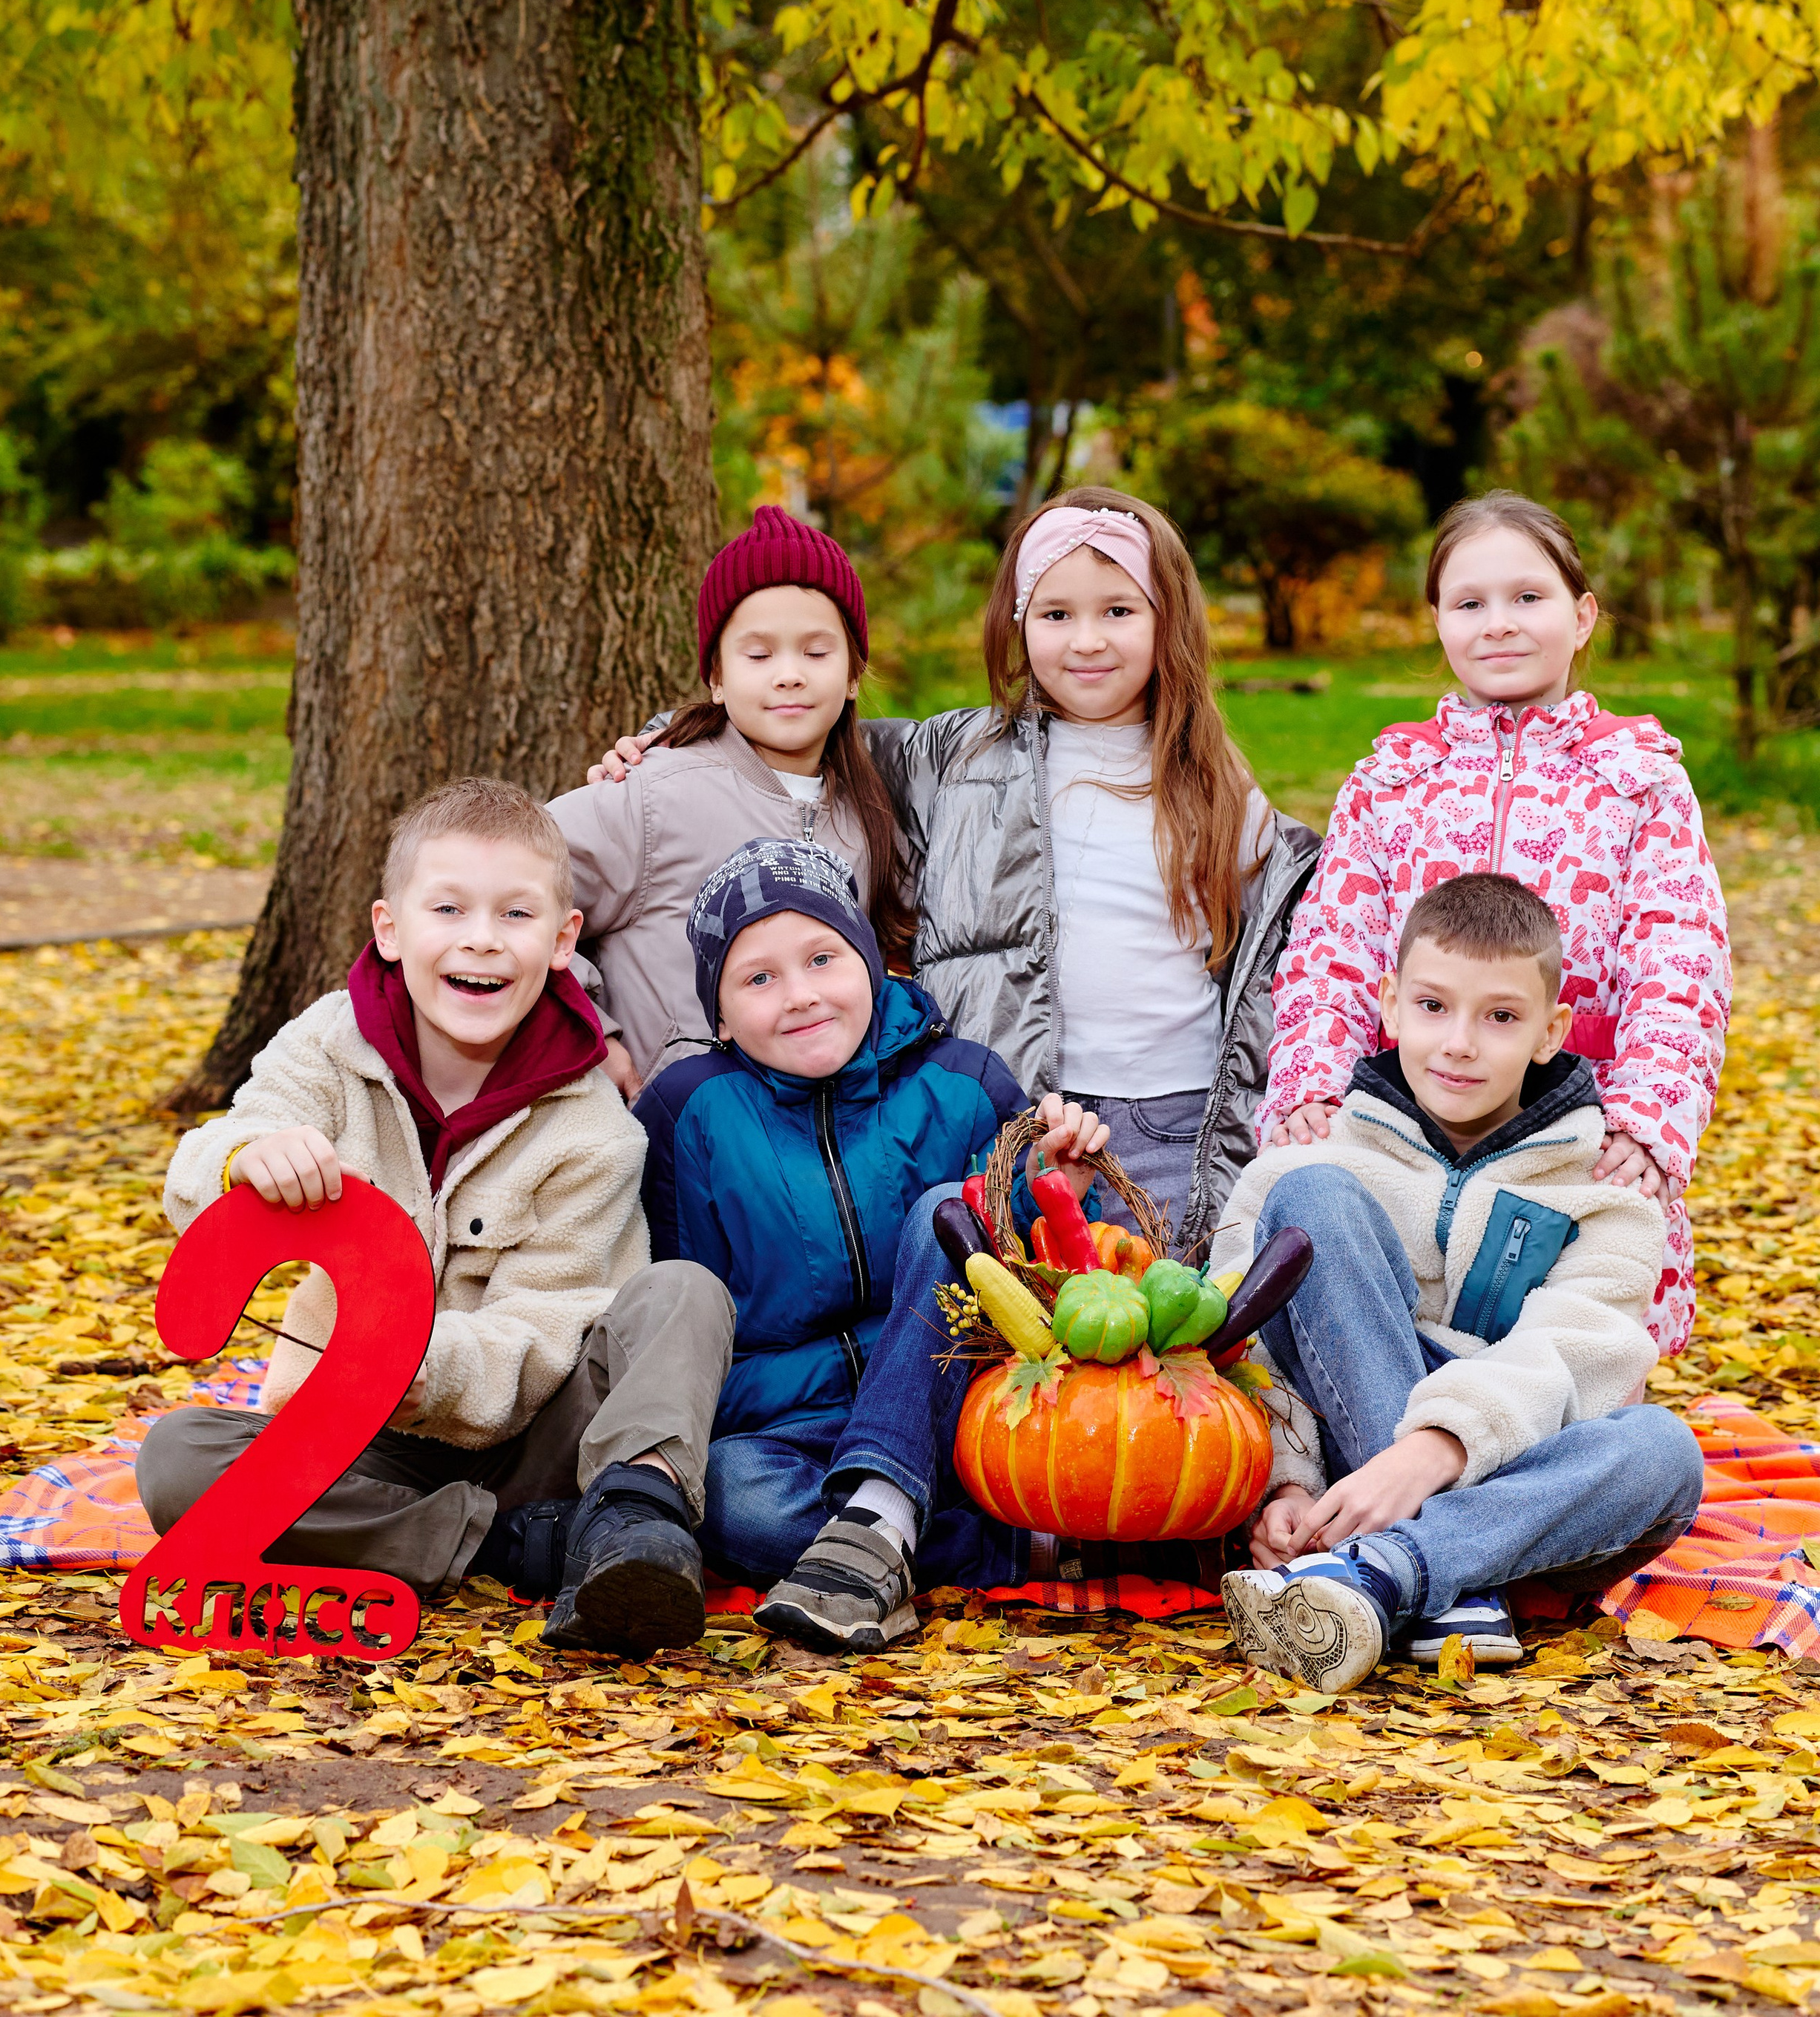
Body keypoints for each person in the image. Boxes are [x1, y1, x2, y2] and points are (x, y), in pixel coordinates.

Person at [594, 487, 1319, 1253]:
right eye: (1055, 614)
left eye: (1117, 611)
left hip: (1173, 1115)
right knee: (1010, 1312)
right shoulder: (955, 757)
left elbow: (1285, 942)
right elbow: (799, 730)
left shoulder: (1215, 785)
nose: (1086, 641)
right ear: (1018, 623)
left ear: (1166, 619)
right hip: (1008, 1118)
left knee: (1161, 1308)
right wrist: (669, 740)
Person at [137, 777, 735, 1660]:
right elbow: (206, 1164)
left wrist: (417, 1361)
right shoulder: (327, 1046)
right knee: (178, 1459)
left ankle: (631, 1518)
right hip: (359, 1443)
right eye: (448, 908)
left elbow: (552, 1321)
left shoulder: (593, 1125)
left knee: (682, 1292)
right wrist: (247, 1157)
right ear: (390, 928)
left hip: (533, 1441)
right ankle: (511, 1547)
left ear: (563, 941)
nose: (481, 938)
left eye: (516, 914)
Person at [1264, 489, 1730, 1354]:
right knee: (1400, 1329)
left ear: (1581, 617)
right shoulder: (1392, 783)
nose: (1499, 624)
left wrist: (1645, 1121)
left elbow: (1679, 962)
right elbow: (1332, 947)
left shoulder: (1636, 782)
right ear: (1438, 623)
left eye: (1527, 597)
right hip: (1411, 1108)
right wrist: (1313, 1085)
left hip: (1576, 1126)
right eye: (1469, 603)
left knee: (1565, 1343)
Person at [1218, 870, 1704, 1693]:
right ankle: (1437, 1581)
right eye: (1433, 1006)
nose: (1459, 1043)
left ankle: (1390, 1567)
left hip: (1516, 1483)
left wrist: (1433, 1450)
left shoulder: (1607, 1198)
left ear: (1551, 1031)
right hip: (1345, 1470)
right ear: (1389, 1004)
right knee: (1315, 1201)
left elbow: (1574, 1355)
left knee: (1664, 1452)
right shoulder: (1300, 1164)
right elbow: (1242, 1345)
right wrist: (1289, 1485)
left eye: (1501, 1017)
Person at [634, 837, 1108, 1652]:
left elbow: (1033, 1275)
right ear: (720, 1016)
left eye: (823, 959)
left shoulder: (963, 1082)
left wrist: (1053, 1183)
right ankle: (954, 1539)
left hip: (954, 1410)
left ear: (872, 962)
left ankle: (879, 1519)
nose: (800, 996)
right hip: (791, 1430)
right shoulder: (689, 1112)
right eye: (757, 979)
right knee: (733, 1500)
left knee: (944, 1212)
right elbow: (689, 1316)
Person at [550, 505, 913, 1091]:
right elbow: (510, 895)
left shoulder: (866, 818)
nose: (789, 674)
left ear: (852, 675)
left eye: (816, 653)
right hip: (664, 1126)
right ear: (717, 678)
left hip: (806, 1136)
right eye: (759, 655)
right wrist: (593, 1036)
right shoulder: (654, 794)